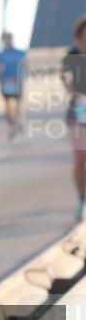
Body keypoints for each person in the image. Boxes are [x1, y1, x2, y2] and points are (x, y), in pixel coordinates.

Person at [62, 14, 86, 221]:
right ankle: (82, 199)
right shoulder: (71, 55)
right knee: (80, 158)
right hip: (77, 113)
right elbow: (64, 75)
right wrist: (69, 86)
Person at [0, 32, 28, 140]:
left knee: (18, 104)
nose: (8, 41)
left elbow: (25, 66)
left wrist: (22, 77)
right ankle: (11, 126)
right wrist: (0, 79)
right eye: (6, 39)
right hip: (6, 82)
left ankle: (18, 120)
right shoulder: (1, 54)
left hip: (18, 82)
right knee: (7, 105)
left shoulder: (20, 53)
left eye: (9, 38)